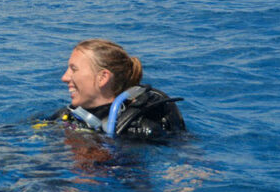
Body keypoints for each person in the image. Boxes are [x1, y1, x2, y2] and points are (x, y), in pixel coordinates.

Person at [50, 39, 185, 138]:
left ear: (102, 78)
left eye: (74, 69)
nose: (64, 77)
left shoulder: (139, 129)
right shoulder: (65, 117)